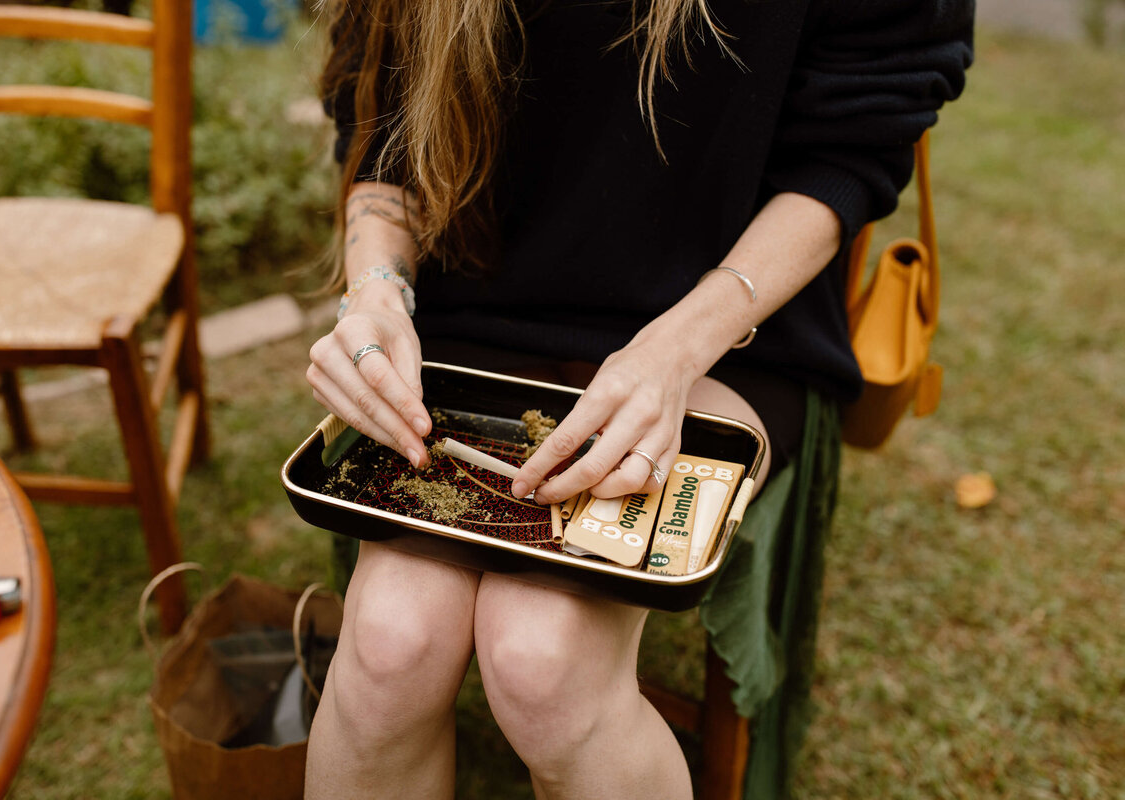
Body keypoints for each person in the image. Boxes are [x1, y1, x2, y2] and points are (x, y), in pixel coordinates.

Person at [304, 1, 973, 797]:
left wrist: (678, 349)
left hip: (733, 317)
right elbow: (380, 125)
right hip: (479, 304)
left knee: (541, 661)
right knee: (388, 649)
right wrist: (376, 291)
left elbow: (852, 151)